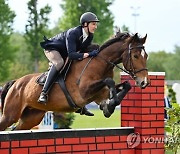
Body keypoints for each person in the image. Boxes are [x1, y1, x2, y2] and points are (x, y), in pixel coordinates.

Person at [38, 12, 100, 116]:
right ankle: (43, 93)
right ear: (85, 24)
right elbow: (72, 55)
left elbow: (81, 52)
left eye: (95, 24)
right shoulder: (73, 33)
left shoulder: (89, 36)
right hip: (52, 48)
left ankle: (81, 105)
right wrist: (89, 54)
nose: (95, 26)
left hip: (65, 52)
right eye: (93, 24)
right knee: (59, 63)